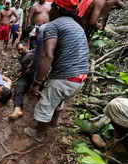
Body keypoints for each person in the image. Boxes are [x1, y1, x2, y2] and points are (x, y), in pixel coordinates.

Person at [25, 0, 89, 142]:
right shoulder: (77, 26)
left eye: (52, 7)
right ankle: (54, 120)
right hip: (81, 78)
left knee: (46, 103)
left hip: (66, 77)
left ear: (56, 8)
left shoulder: (53, 25)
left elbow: (47, 56)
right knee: (58, 97)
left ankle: (38, 133)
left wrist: (37, 82)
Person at [8, 23, 46, 121]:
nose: (20, 52)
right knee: (18, 89)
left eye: (21, 49)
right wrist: (21, 72)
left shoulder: (35, 52)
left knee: (42, 90)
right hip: (26, 77)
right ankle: (17, 110)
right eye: (18, 51)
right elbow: (24, 68)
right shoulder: (21, 59)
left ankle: (41, 113)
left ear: (26, 46)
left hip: (36, 76)